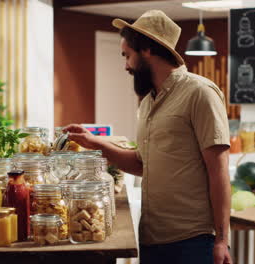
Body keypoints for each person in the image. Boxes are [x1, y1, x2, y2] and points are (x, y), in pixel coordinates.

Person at [63, 10, 232, 264]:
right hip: (152, 237)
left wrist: (221, 240)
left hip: (193, 240)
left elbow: (219, 171)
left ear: (147, 50)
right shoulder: (147, 102)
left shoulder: (200, 93)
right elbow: (143, 164)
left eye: (127, 55)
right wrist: (94, 142)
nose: (126, 65)